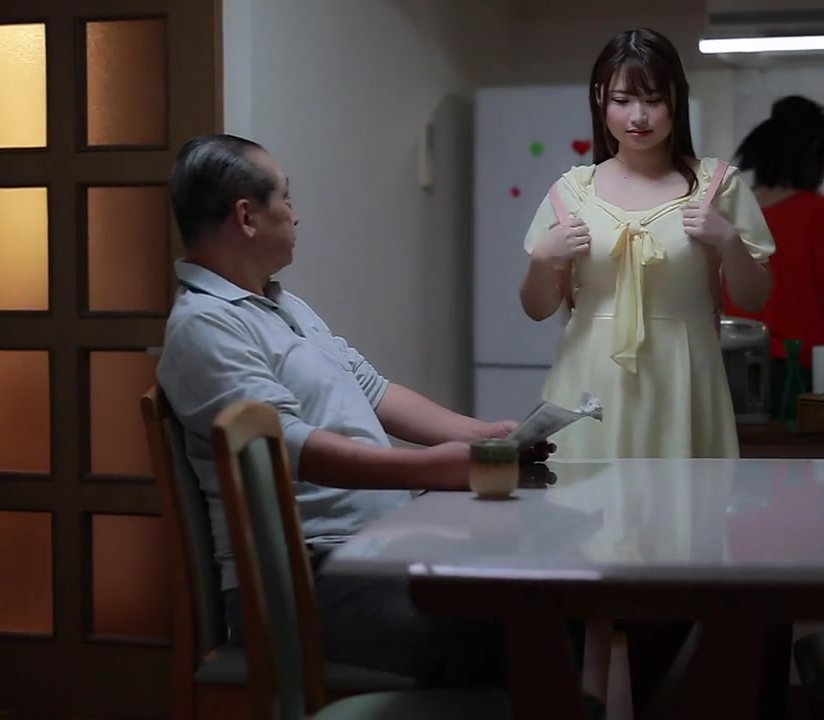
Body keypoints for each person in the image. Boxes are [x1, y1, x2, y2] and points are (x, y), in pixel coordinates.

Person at [156, 133, 553, 688]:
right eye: (285, 198)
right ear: (246, 217)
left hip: (374, 550)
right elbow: (287, 447)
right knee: (512, 627)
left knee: (531, 587)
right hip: (306, 580)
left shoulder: (282, 303)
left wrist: (486, 437)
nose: (296, 214)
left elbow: (375, 391)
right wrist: (433, 468)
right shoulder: (204, 325)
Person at [518, 27, 775, 461]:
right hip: (588, 377)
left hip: (683, 377)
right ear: (600, 99)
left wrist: (728, 241)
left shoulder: (718, 186)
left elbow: (756, 298)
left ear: (677, 99)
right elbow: (537, 308)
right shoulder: (572, 192)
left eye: (653, 100)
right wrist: (542, 260)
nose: (638, 116)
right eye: (622, 101)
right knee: (587, 499)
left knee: (682, 499)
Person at [722, 95, 824, 410]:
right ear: (814, 157)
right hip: (800, 375)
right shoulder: (821, 214)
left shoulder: (728, 211)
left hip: (731, 373)